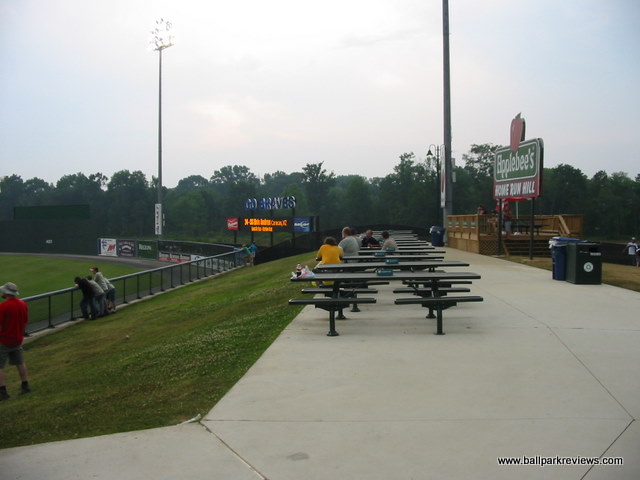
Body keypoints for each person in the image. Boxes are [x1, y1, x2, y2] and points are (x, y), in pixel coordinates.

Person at [0, 282, 31, 400]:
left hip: (4, 340)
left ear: (6, 293)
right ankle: (25, 385)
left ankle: (3, 392)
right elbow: (25, 322)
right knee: (20, 362)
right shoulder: (23, 304)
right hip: (18, 339)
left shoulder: (3, 306)